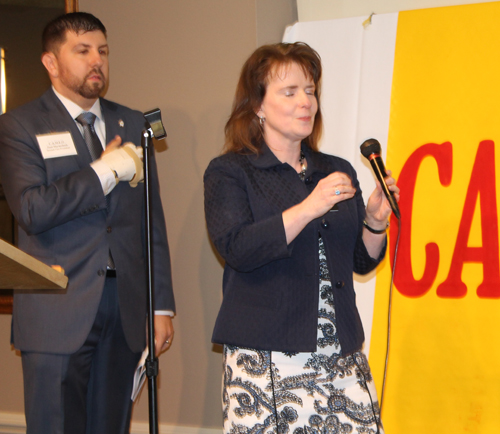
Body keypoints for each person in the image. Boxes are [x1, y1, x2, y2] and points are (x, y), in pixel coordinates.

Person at [204, 42, 399, 434]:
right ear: (257, 105)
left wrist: (376, 221)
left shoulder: (335, 168)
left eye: (309, 90)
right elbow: (237, 248)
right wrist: (310, 207)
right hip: (269, 357)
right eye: (289, 92)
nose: (305, 101)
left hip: (340, 353)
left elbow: (360, 260)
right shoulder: (231, 171)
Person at [0, 12, 175, 434]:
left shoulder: (132, 122)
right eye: (82, 51)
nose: (96, 60)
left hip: (126, 308)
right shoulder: (18, 126)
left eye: (102, 51)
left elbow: (150, 221)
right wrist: (104, 171)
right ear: (51, 63)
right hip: (56, 308)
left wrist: (161, 304)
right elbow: (32, 210)